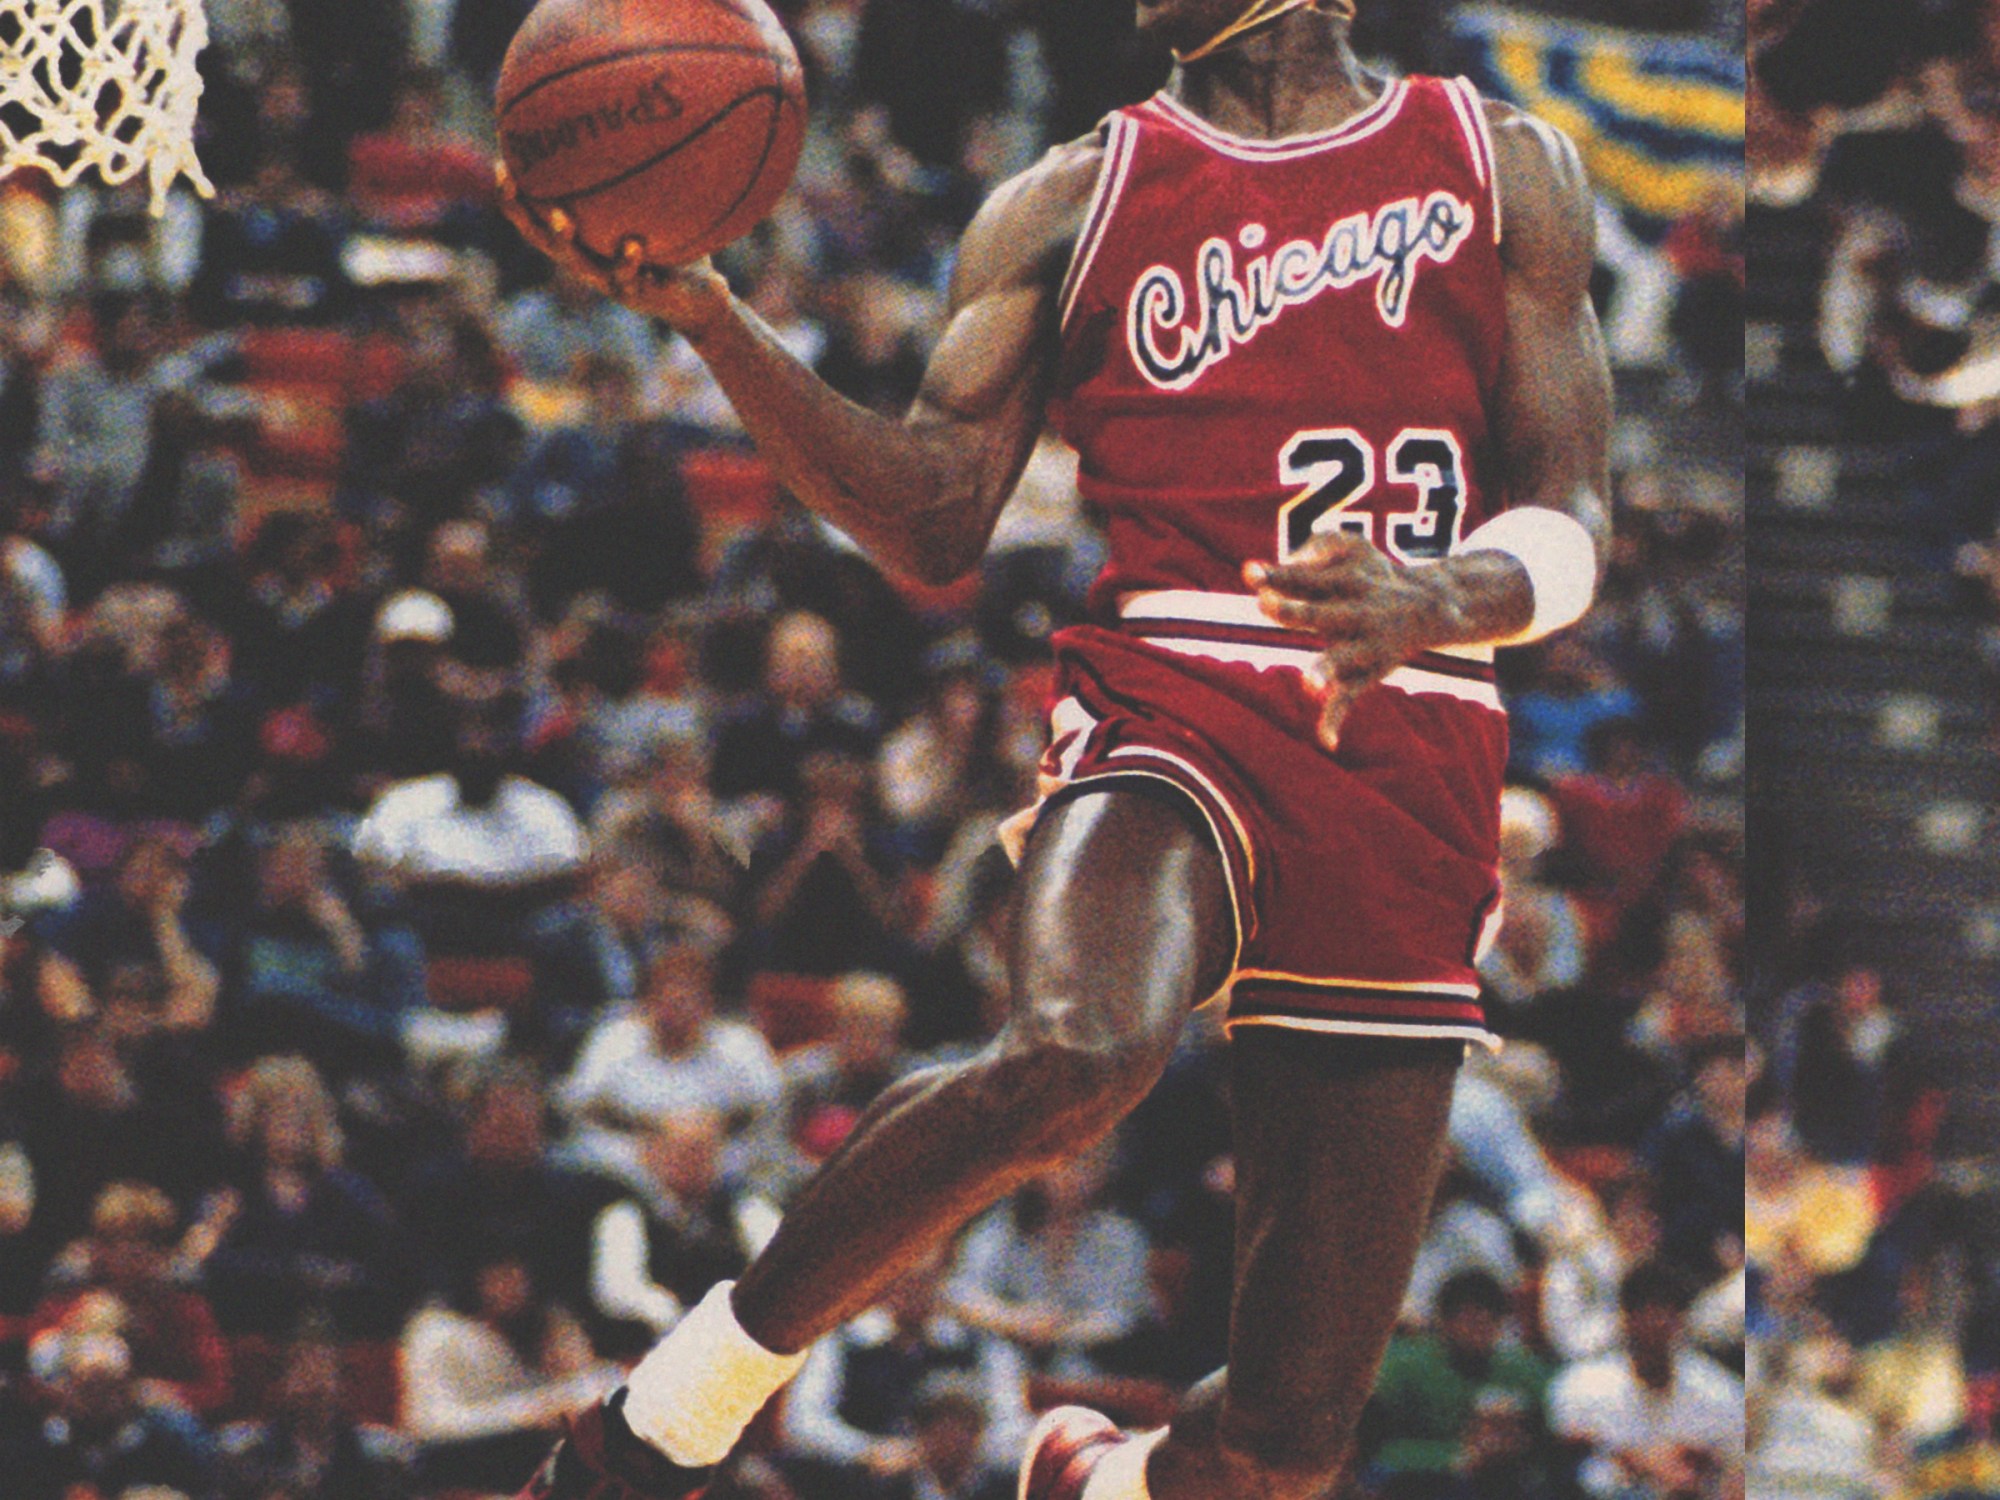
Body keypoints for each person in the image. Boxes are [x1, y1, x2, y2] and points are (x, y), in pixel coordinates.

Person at [500, 0, 1611, 1493]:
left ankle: (1099, 1479)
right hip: (1179, 694)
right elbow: (933, 520)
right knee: (1079, 1053)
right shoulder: (1070, 199)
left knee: (1287, 1445)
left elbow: (1572, 508)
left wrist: (1448, 593)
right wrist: (714, 320)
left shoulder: (1500, 160)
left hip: (1416, 724)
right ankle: (665, 1422)